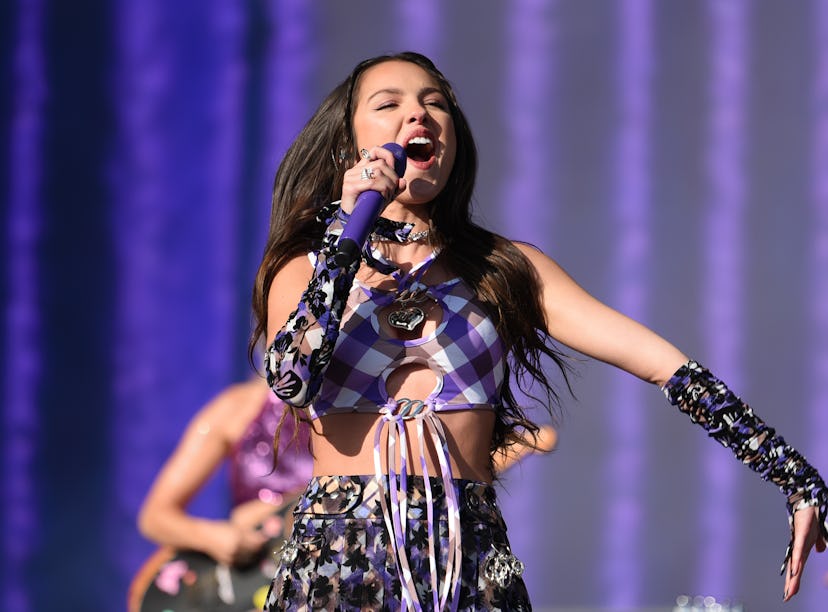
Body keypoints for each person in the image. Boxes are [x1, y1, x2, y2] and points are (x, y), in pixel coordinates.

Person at [250, 51, 827, 610]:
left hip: (470, 562)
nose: (419, 115)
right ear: (349, 143)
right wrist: (349, 231)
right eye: (388, 103)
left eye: (435, 103)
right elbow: (290, 379)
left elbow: (661, 363)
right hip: (339, 560)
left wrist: (792, 474)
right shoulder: (305, 267)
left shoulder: (504, 269)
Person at [134, 377, 313, 610]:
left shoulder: (360, 411)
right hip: (254, 581)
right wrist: (215, 538)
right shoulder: (237, 407)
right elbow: (154, 517)